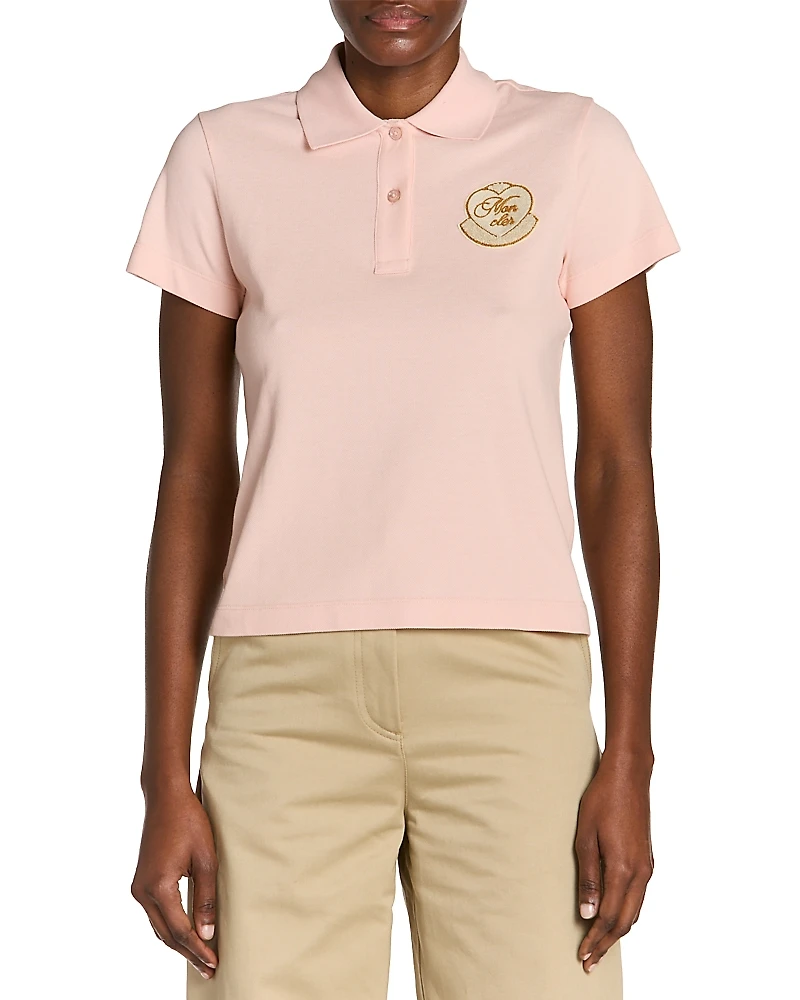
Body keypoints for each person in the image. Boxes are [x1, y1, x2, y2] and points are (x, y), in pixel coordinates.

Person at [125, 2, 679, 997]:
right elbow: (195, 471)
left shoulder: (574, 145)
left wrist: (629, 757)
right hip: (281, 698)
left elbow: (615, 466)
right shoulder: (220, 156)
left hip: (514, 691)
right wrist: (164, 773)